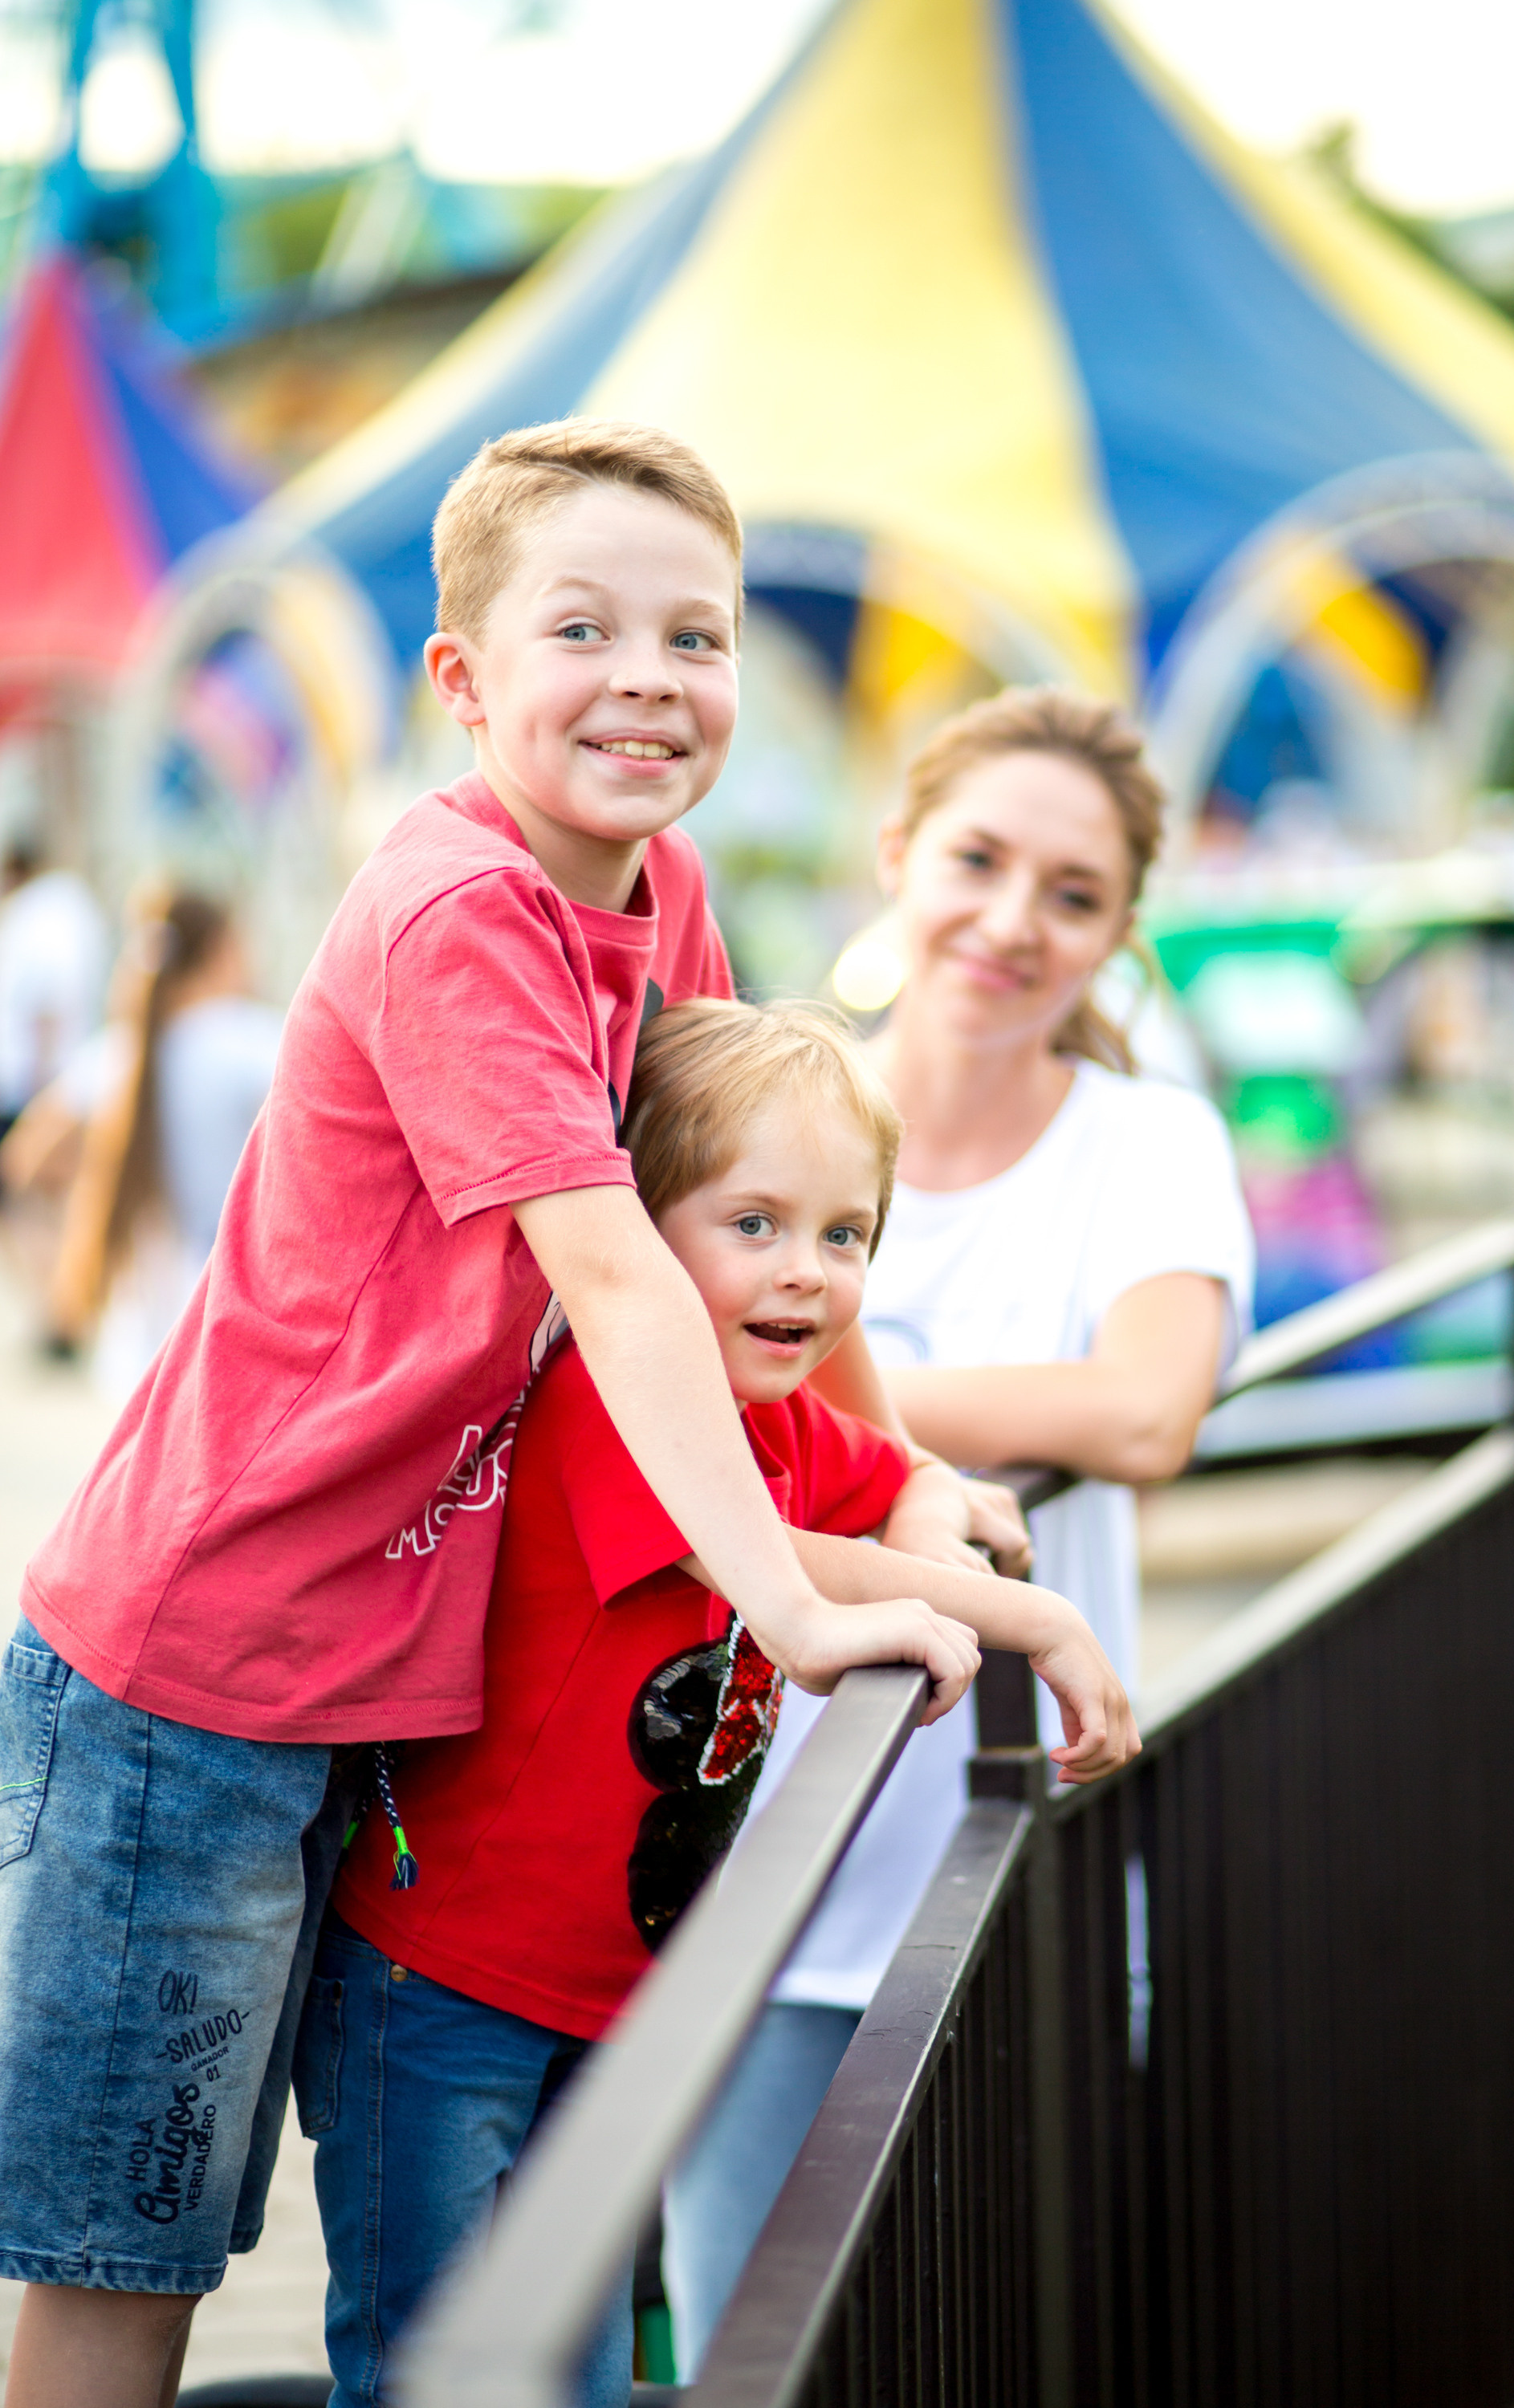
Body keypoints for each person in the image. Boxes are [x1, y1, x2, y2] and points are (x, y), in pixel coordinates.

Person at [0, 421, 1007, 2408]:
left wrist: (901, 1481)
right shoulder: (459, 908)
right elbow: (619, 1270)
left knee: (383, 2212)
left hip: (386, 1690)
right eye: (584, 627)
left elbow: (751, 1208)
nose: (649, 674)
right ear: (462, 679)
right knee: (132, 2249)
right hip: (194, 1673)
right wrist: (803, 1608)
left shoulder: (663, 884)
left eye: (695, 635)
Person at [295, 996, 1137, 2408]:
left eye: (844, 1234)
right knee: (435, 2361)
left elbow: (890, 1475)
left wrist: (933, 1511)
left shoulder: (783, 1413)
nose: (805, 1275)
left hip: (615, 1990)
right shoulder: (616, 1401)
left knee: (588, 2358)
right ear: (636, 1231)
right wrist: (1032, 1616)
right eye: (752, 1225)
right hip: (437, 1982)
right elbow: (780, 1552)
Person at [665, 687, 1255, 2372]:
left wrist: (824, 1423)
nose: (1011, 921)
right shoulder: (765, 1113)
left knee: (1004, 2333)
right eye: (977, 861)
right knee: (752, 2350)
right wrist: (924, 1437)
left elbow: (1145, 1411)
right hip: (754, 1860)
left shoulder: (1143, 1144)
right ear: (896, 857)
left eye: (1070, 892)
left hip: (1003, 1856)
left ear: (1118, 929)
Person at [2, 889, 283, 1396]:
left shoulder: (119, 1054)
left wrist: (102, 1171)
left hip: (136, 1340)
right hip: (231, 1322)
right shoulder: (248, 1041)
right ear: (222, 951)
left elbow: (25, 1158)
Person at [0, 841, 107, 1141]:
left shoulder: (38, 912)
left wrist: (37, 1102)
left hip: (33, 1088)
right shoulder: (71, 904)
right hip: (63, 1079)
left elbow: (45, 1008)